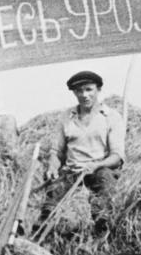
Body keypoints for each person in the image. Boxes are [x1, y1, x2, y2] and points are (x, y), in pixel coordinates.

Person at [41, 70, 125, 234]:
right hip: (72, 171)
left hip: (99, 169)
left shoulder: (111, 117)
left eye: (89, 89)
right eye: (79, 91)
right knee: (53, 196)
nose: (84, 95)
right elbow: (56, 151)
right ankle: (44, 227)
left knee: (104, 182)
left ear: (98, 89)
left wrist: (95, 166)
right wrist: (52, 167)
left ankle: (102, 227)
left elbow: (117, 156)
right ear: (74, 92)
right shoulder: (66, 117)